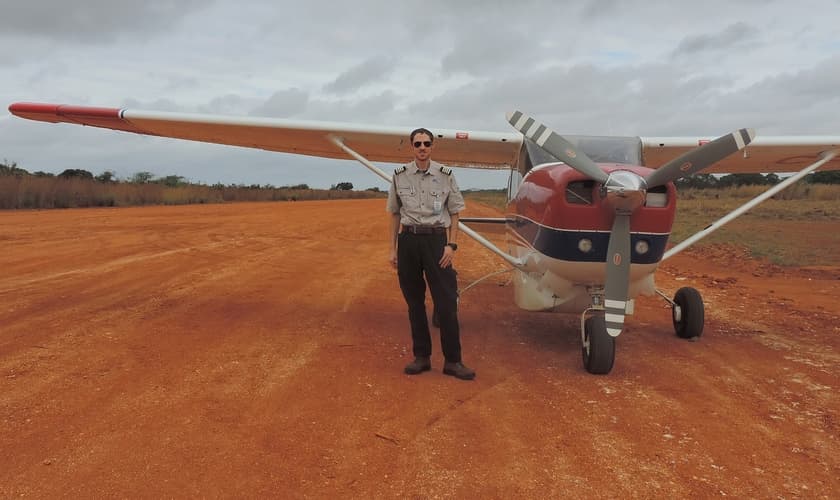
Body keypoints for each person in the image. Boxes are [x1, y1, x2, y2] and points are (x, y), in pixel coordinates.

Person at [386, 128, 475, 381]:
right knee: (414, 303)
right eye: (418, 144)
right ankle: (422, 357)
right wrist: (392, 248)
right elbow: (394, 213)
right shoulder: (399, 175)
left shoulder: (445, 175)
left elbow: (455, 212)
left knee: (446, 303)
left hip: (437, 241)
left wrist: (451, 245)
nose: (422, 147)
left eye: (426, 143)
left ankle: (453, 361)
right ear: (412, 147)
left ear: (432, 146)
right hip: (409, 241)